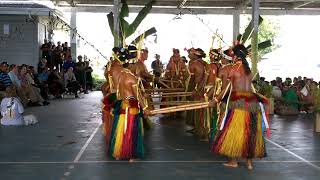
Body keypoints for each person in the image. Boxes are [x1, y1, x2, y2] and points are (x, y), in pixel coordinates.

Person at [210, 44, 269, 170]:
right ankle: (249, 163)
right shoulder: (248, 69)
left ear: (235, 56)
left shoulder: (234, 68)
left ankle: (233, 161)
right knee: (250, 131)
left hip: (238, 102)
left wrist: (215, 100)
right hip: (252, 101)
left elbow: (227, 88)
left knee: (233, 130)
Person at [108, 46, 151, 161]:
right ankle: (131, 155)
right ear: (131, 64)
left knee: (121, 130)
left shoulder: (121, 75)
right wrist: (145, 108)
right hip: (131, 106)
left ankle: (118, 154)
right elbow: (137, 96)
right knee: (132, 130)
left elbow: (117, 91)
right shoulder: (132, 78)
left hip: (122, 105)